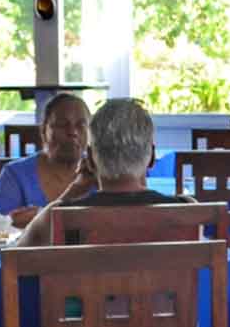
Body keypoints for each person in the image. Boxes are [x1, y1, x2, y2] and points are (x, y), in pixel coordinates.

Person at [16, 98, 188, 247]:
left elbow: (16, 259)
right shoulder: (187, 212)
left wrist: (71, 193)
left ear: (89, 159)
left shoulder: (57, 217)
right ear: (151, 157)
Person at [0, 93, 91, 226]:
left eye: (81, 125)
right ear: (43, 131)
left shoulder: (102, 174)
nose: (73, 132)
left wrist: (40, 215)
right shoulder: (17, 174)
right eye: (62, 124)